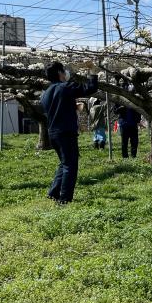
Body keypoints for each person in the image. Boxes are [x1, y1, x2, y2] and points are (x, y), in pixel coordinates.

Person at [40, 61, 98, 204]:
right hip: (66, 132)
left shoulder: (45, 93)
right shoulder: (65, 87)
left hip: (53, 133)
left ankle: (53, 192)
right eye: (64, 71)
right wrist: (93, 72)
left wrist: (73, 108)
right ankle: (64, 199)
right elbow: (90, 88)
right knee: (70, 166)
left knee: (64, 162)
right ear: (60, 73)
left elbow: (57, 109)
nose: (66, 73)